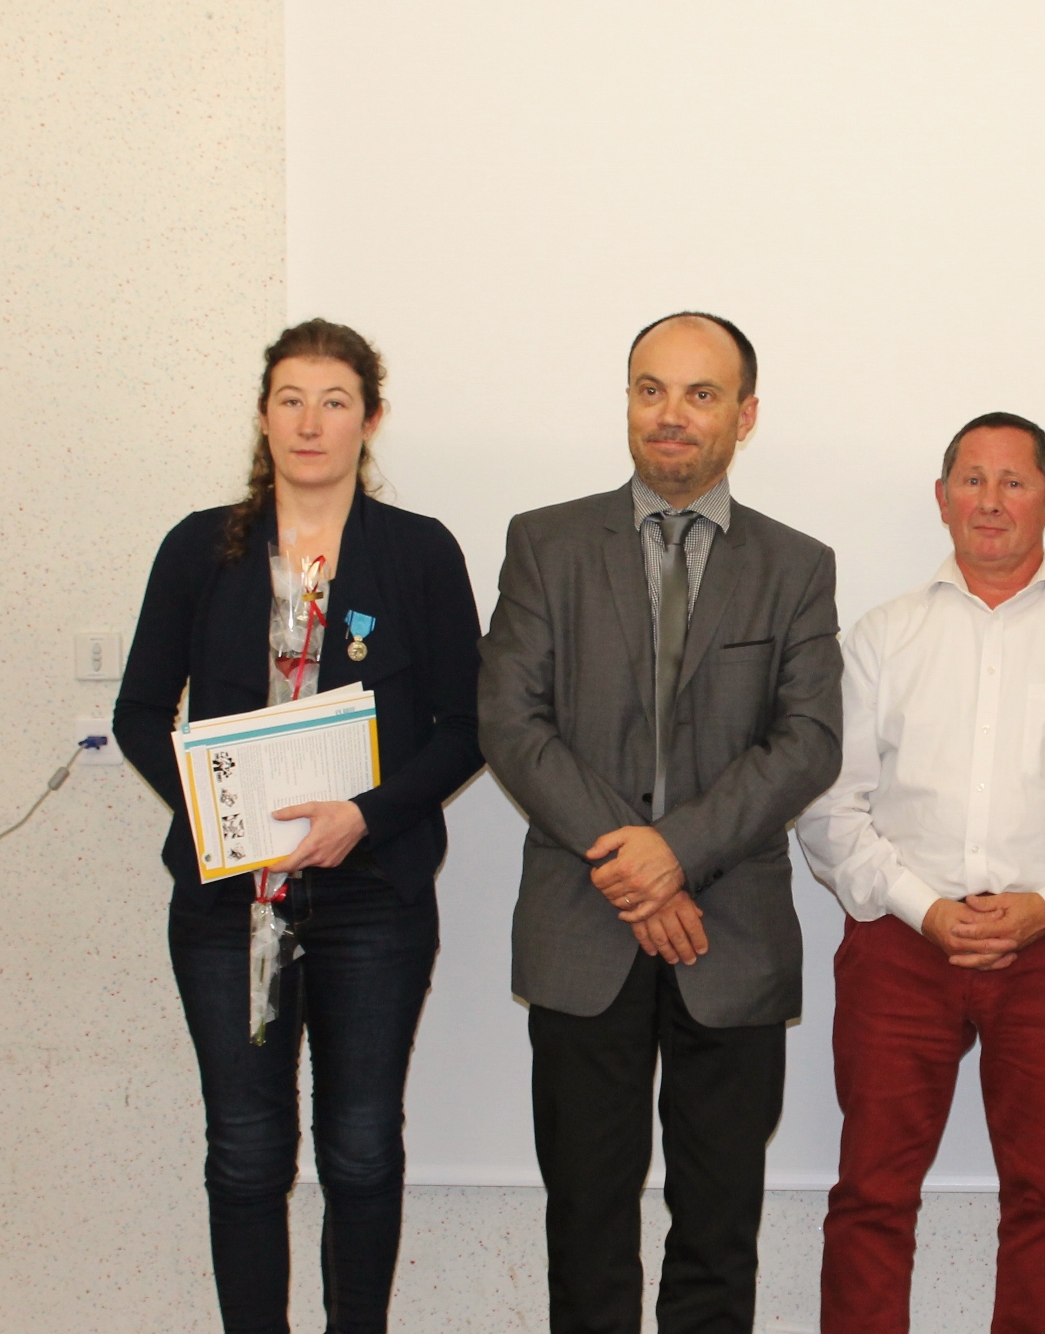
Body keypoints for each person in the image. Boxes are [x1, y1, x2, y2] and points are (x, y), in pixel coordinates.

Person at [114, 319, 484, 1333]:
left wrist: (366, 815)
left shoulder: (418, 551)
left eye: (334, 401)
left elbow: (467, 727)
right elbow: (140, 714)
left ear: (370, 418)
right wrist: (222, 812)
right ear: (263, 415)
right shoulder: (200, 547)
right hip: (226, 903)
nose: (310, 422)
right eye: (290, 399)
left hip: (373, 898)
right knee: (244, 1150)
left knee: (360, 1149)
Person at [478, 311, 842, 1333]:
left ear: (745, 415)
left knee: (717, 1235)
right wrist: (633, 868)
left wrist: (673, 853)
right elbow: (510, 721)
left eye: (699, 394)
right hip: (581, 929)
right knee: (586, 1226)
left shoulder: (796, 564)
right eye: (650, 390)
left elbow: (807, 741)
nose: (669, 415)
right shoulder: (544, 542)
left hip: (732, 937)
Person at [798, 412, 1045, 1334]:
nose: (991, 501)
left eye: (1014, 481)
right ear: (942, 497)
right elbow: (829, 806)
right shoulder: (882, 636)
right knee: (871, 1194)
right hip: (899, 947)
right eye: (972, 480)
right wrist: (923, 909)